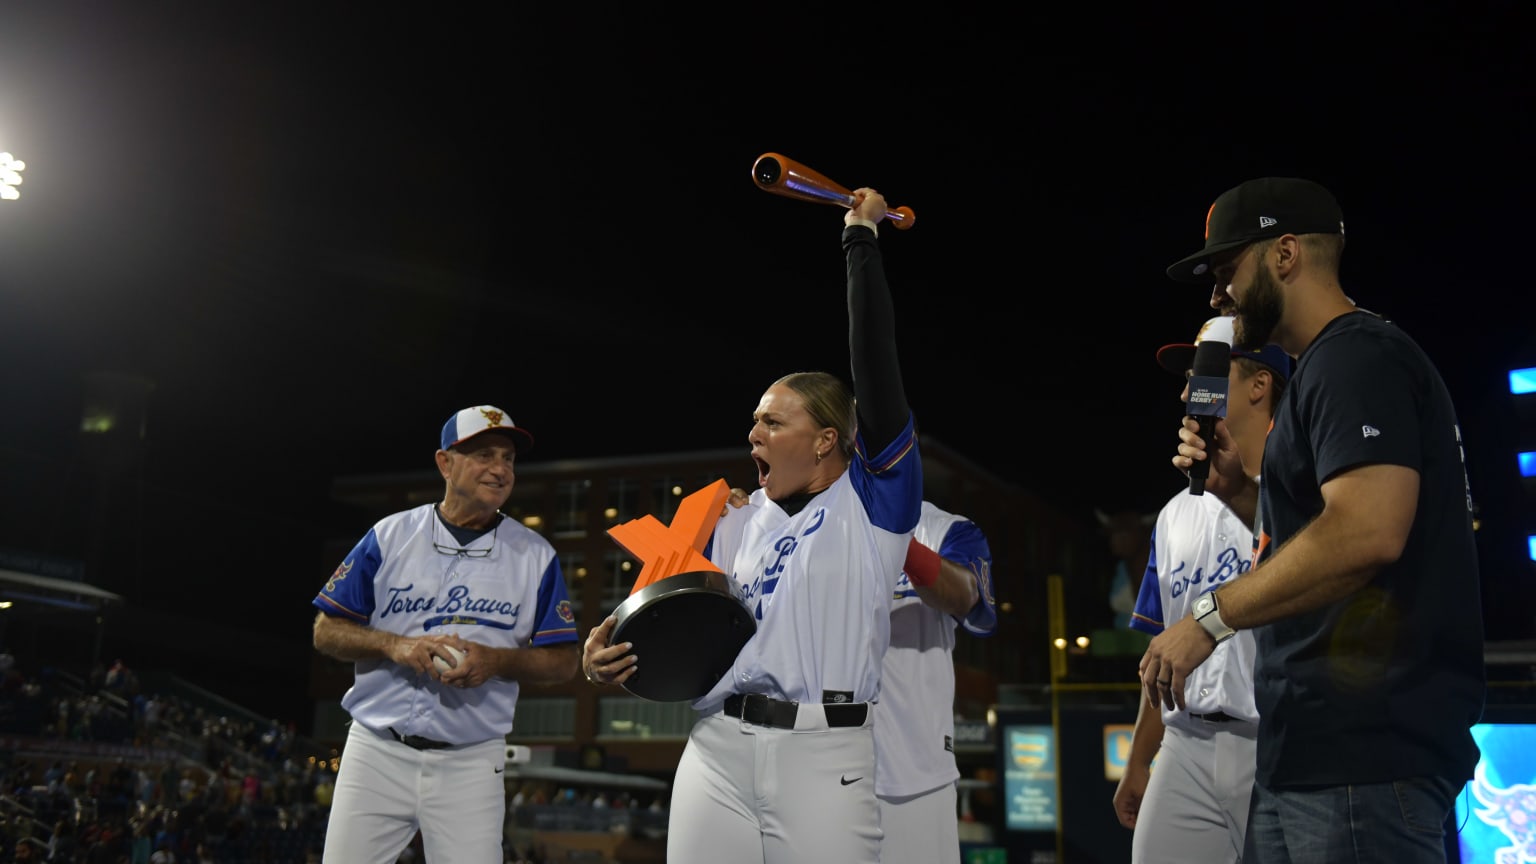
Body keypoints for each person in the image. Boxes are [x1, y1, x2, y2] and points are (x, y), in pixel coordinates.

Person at [1141, 176, 1486, 862]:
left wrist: (1209, 619)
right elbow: (1319, 540)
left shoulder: (1356, 356)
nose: (1217, 296)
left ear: (1286, 254)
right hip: (1312, 754)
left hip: (1364, 759)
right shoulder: (1324, 369)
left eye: (1226, 269)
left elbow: (1366, 532)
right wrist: (1239, 494)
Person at [583, 188, 923, 864]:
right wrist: (604, 657)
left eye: (773, 421)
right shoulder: (732, 520)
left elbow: (875, 361)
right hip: (717, 747)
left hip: (827, 754)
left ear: (828, 439)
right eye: (754, 420)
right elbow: (676, 629)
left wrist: (861, 239)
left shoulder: (875, 503)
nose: (753, 432)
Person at [311, 405, 579, 863]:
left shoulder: (535, 555)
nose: (499, 469)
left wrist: (495, 661)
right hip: (377, 749)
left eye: (508, 458)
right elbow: (326, 631)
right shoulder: (391, 535)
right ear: (445, 463)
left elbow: (563, 662)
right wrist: (395, 645)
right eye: (483, 455)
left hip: (470, 761)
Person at [1113, 314, 1288, 862]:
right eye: (1190, 379)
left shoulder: (1298, 487)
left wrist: (1240, 490)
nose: (1190, 391)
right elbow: (1163, 649)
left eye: (1208, 375)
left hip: (1272, 742)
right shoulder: (1173, 514)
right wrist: (1141, 758)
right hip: (1185, 742)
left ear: (1260, 384)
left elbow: (1316, 560)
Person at [877, 501, 997, 864]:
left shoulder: (945, 528)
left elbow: (965, 595)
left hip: (915, 768)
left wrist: (896, 538)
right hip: (821, 761)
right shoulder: (807, 525)